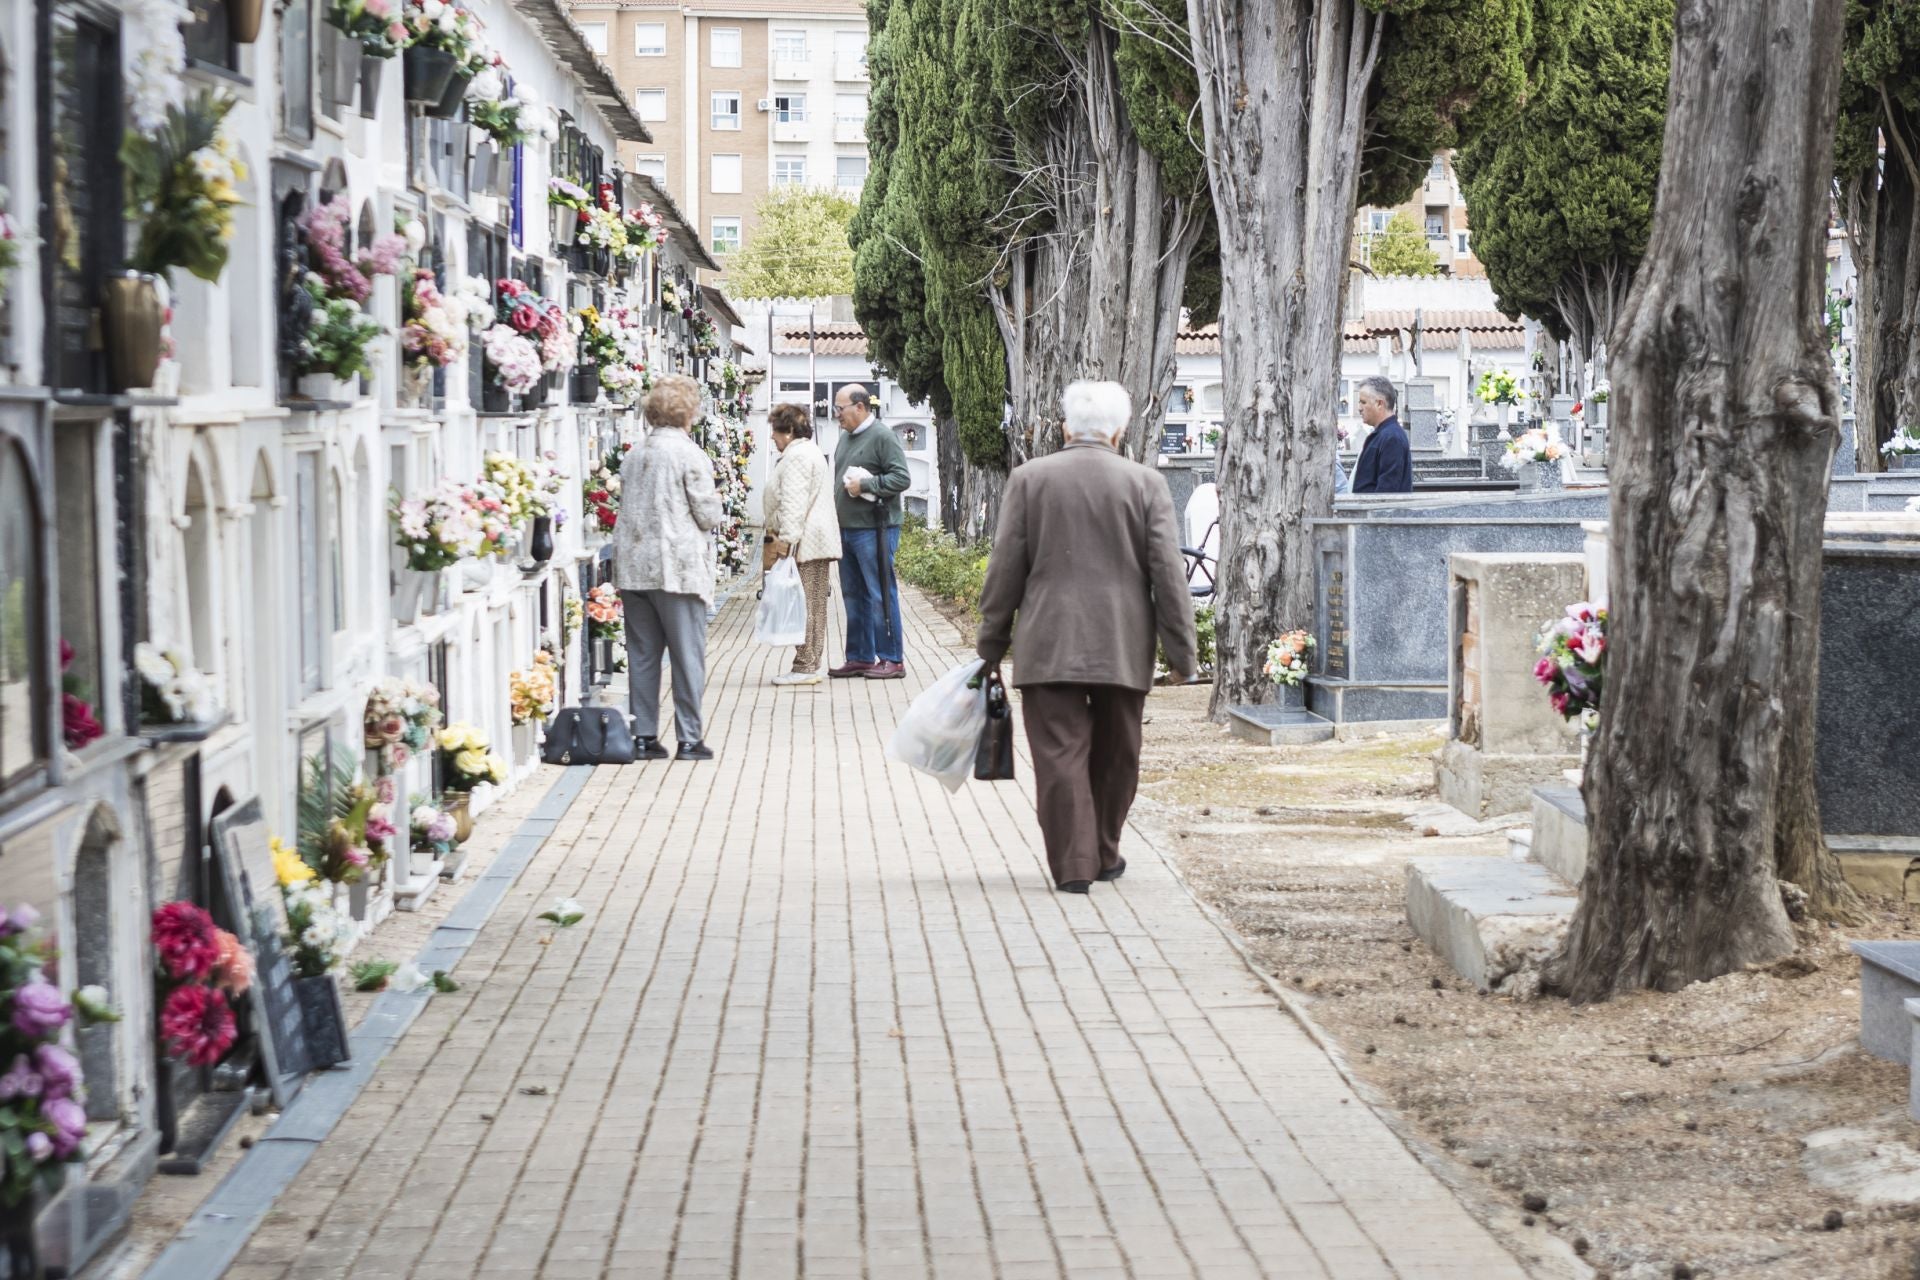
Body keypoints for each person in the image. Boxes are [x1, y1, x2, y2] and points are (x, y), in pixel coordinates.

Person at [975, 381, 1198, 894]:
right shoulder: (1145, 484)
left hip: (1047, 642)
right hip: (1123, 644)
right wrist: (1182, 654)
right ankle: (1103, 849)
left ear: (1064, 429)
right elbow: (1169, 575)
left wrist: (991, 644)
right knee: (1119, 755)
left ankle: (1076, 863)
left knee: (1059, 756)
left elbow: (1005, 569)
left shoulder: (1030, 479)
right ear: (1120, 432)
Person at [614, 375, 724, 761]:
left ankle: (643, 735)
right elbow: (706, 514)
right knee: (686, 654)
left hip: (633, 566)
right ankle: (689, 738)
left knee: (643, 653)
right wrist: (719, 501)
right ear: (687, 412)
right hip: (676, 566)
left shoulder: (634, 454)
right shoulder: (689, 454)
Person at [829, 384, 912, 680]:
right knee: (853, 594)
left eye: (841, 409)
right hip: (848, 530)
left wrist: (865, 486)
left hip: (875, 529)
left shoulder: (882, 437)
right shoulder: (846, 439)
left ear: (860, 407)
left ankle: (891, 658)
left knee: (879, 594)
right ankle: (860, 656)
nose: (836, 414)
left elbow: (901, 477)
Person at [763, 402, 841, 686]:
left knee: (805, 603)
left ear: (790, 430)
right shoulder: (809, 452)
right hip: (814, 539)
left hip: (805, 540)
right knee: (814, 602)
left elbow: (794, 503)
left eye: (776, 430)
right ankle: (808, 662)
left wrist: (787, 543)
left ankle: (805, 665)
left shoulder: (797, 457)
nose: (772, 437)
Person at [1351, 375, 1413, 494]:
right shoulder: (1383, 434)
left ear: (1380, 403)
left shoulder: (1392, 438)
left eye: (1363, 402)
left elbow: (1386, 494)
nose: (1359, 408)